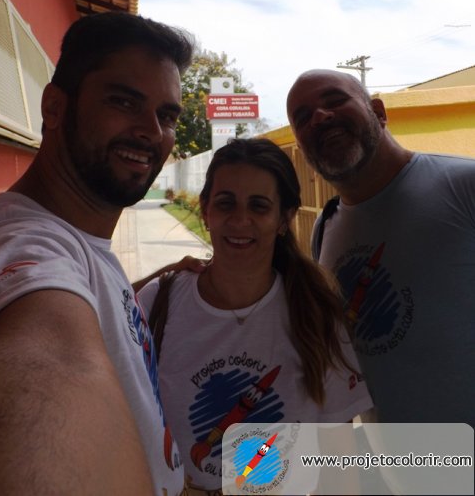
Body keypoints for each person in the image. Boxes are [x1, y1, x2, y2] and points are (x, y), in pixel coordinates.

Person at [0, 11, 195, 496]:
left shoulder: (81, 247)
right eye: (124, 101)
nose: (151, 131)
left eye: (166, 116)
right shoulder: (26, 249)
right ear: (54, 107)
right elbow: (46, 361)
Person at [138, 138, 372, 495]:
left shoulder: (316, 314)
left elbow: (338, 464)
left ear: (283, 219)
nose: (240, 220)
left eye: (259, 207)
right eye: (225, 203)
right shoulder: (158, 303)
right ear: (206, 211)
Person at [286, 68, 475, 427]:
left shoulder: (464, 186)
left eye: (335, 100)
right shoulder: (325, 228)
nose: (320, 116)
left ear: (378, 112)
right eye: (303, 117)